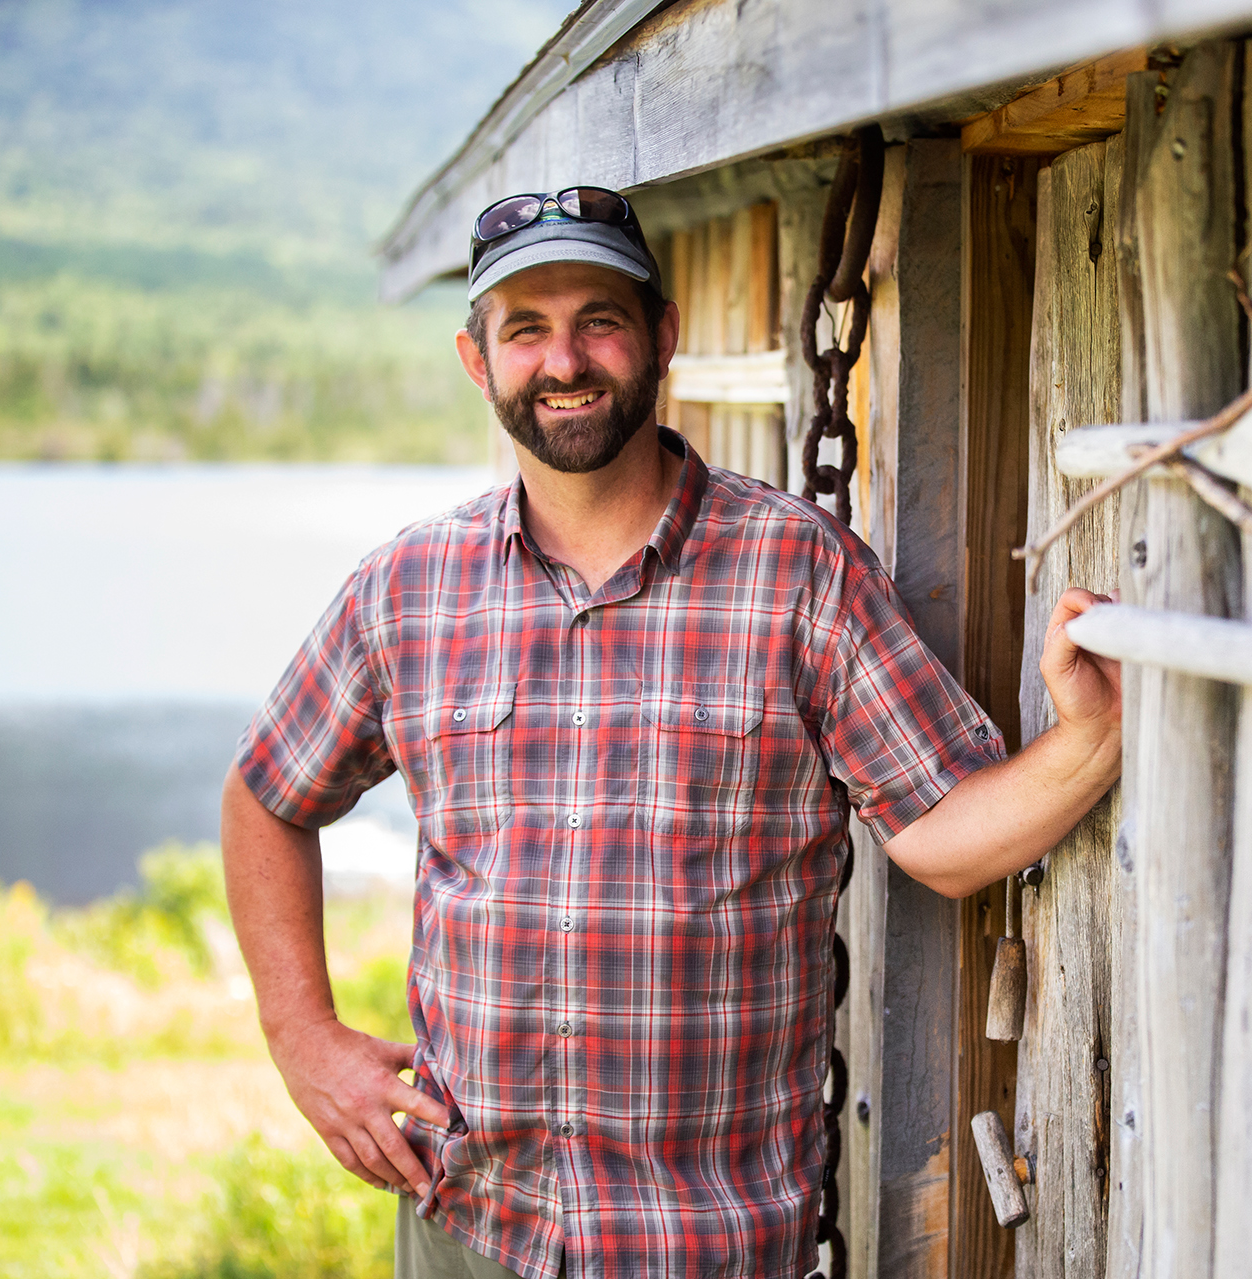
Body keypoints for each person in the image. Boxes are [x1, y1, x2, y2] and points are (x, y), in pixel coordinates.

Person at [220, 185, 1122, 1279]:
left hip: (706, 1242)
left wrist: (1089, 736)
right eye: (525, 329)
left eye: (598, 318)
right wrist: (302, 1039)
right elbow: (267, 795)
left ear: (662, 335)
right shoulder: (407, 589)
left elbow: (938, 829)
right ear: (477, 360)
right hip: (472, 1227)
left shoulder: (797, 572)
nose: (564, 360)